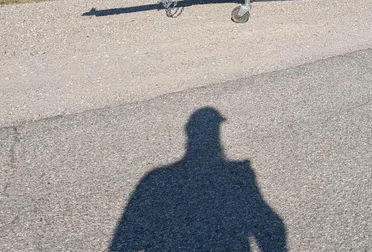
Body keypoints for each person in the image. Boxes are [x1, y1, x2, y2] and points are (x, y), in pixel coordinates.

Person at [110, 107, 287, 251]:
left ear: (189, 134)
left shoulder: (156, 179)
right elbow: (270, 226)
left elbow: (124, 239)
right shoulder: (238, 175)